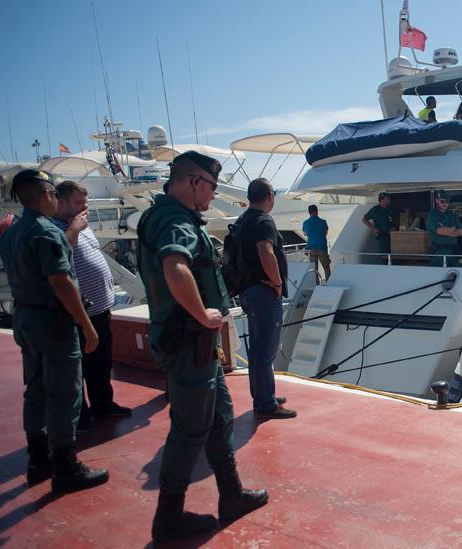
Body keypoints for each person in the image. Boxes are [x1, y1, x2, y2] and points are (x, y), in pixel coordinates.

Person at [136, 151, 267, 542]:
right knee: (190, 429)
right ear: (194, 182)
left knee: (218, 416)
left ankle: (231, 495)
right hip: (188, 340)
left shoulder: (162, 215)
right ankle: (168, 520)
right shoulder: (175, 220)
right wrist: (203, 315)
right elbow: (175, 267)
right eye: (210, 186)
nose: (213, 194)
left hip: (197, 345)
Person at [0, 169, 108, 492]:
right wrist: (86, 325)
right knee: (65, 393)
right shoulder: (47, 233)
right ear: (47, 194)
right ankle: (65, 466)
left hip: (26, 319)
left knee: (35, 390)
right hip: (53, 324)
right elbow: (61, 281)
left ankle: (38, 460)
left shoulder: (11, 233)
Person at [52, 181, 132, 434]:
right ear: (60, 202)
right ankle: (81, 416)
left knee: (100, 363)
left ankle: (103, 404)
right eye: (78, 203)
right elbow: (58, 255)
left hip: (100, 308)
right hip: (76, 313)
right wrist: (74, 228)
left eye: (85, 202)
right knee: (78, 368)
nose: (84, 207)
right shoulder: (54, 228)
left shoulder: (81, 225)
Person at [235, 178, 297, 419]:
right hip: (264, 293)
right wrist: (278, 282)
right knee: (266, 350)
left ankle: (263, 394)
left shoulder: (244, 219)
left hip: (248, 291)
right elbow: (266, 251)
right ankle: (266, 403)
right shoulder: (263, 221)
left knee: (258, 349)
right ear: (270, 195)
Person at [427, 190, 462, 266]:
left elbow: (460, 232)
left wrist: (446, 231)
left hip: (453, 252)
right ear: (437, 200)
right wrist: (453, 228)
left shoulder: (452, 214)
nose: (445, 204)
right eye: (442, 201)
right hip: (438, 253)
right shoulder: (432, 215)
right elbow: (440, 231)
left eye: (447, 202)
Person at [362, 192, 396, 257]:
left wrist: (394, 227)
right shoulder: (375, 209)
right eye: (387, 199)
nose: (389, 200)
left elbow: (394, 220)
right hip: (382, 236)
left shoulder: (391, 209)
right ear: (382, 200)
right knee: (384, 255)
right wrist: (373, 228)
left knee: (393, 254)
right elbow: (364, 219)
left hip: (392, 235)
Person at [302, 204, 330, 281]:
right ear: (317, 211)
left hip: (311, 249)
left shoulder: (305, 223)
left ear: (309, 212)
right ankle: (329, 283)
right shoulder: (323, 222)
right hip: (322, 248)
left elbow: (305, 234)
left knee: (314, 269)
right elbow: (325, 233)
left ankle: (315, 285)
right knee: (326, 267)